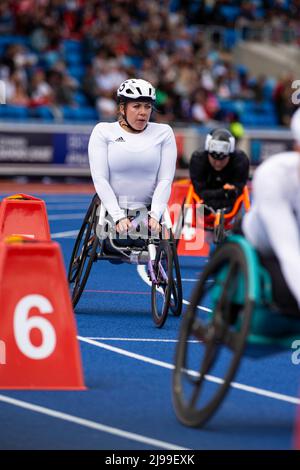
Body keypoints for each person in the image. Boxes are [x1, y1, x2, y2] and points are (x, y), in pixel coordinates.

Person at [88, 78, 177, 239]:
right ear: (122, 108)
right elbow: (100, 179)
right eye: (136, 106)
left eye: (147, 106)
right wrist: (117, 216)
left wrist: (155, 215)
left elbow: (166, 179)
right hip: (112, 210)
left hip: (149, 212)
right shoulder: (103, 131)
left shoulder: (164, 133)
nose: (143, 112)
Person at [242, 108, 300, 316]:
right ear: (296, 149)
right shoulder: (273, 175)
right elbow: (288, 251)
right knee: (286, 295)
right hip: (264, 243)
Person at [189, 128, 249, 212]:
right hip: (201, 207)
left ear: (230, 154)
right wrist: (224, 192)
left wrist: (229, 192)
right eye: (213, 158)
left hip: (230, 208)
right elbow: (200, 192)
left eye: (222, 159)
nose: (217, 163)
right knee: (190, 196)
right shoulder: (198, 159)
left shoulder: (240, 161)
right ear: (208, 153)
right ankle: (193, 223)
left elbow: (238, 191)